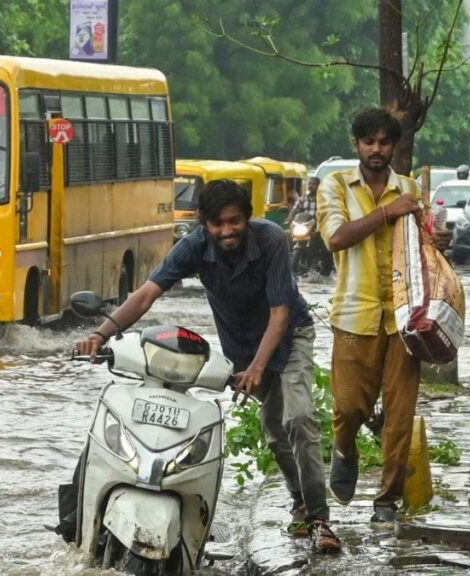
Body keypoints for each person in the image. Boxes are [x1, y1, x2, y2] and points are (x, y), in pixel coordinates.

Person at [70, 179, 342, 553]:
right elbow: (147, 294)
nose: (227, 230)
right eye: (217, 223)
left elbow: (280, 313)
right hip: (242, 349)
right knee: (276, 431)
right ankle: (300, 502)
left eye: (234, 221)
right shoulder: (193, 246)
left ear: (247, 218)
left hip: (290, 336)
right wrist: (100, 336)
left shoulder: (271, 241)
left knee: (299, 419)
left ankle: (320, 519)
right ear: (204, 224)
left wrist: (259, 367)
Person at [315, 107, 449, 524]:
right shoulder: (335, 186)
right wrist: (387, 213)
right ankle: (345, 448)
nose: (377, 149)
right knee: (350, 406)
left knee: (399, 412)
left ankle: (386, 500)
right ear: (356, 144)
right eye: (369, 141)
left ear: (393, 146)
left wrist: (439, 238)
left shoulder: (409, 187)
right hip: (354, 314)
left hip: (406, 318)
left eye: (384, 142)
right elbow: (336, 238)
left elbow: (424, 244)